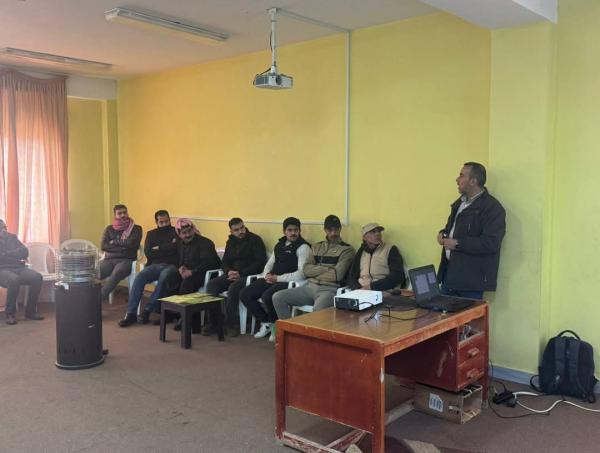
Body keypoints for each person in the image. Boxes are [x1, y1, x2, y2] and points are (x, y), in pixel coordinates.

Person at [437, 162, 506, 299]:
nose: (457, 179)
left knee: (470, 314)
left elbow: (491, 243)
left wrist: (458, 244)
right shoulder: (459, 204)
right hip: (449, 276)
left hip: (471, 283)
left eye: (462, 175)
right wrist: (443, 234)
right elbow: (451, 228)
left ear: (473, 181)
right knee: (441, 312)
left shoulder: (492, 208)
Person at [239, 217, 310, 341]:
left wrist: (278, 278)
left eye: (296, 230)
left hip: (288, 282)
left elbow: (301, 274)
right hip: (272, 278)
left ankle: (276, 325)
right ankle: (266, 322)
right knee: (245, 293)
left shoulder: (303, 247)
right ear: (284, 231)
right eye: (290, 230)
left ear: (300, 231)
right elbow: (269, 264)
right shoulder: (279, 245)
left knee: (268, 296)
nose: (293, 233)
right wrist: (267, 275)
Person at [273, 215, 354, 320]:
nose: (333, 233)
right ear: (325, 230)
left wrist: (315, 271)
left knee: (317, 311)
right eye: (330, 230)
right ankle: (290, 329)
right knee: (277, 297)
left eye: (336, 229)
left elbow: (336, 275)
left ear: (340, 229)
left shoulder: (347, 250)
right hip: (310, 287)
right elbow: (306, 270)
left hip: (329, 290)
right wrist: (326, 269)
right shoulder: (316, 246)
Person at [203, 218, 267, 337]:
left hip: (249, 275)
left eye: (242, 228)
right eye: (236, 230)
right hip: (232, 274)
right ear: (231, 232)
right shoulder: (231, 242)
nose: (240, 231)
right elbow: (224, 262)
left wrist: (240, 273)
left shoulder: (255, 240)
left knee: (233, 288)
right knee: (212, 285)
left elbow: (260, 263)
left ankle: (231, 324)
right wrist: (228, 271)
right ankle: (214, 322)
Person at [118, 210, 179, 327]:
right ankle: (131, 313)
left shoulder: (176, 232)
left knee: (164, 276)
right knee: (139, 277)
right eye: (161, 222)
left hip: (172, 265)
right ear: (156, 222)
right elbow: (149, 253)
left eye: (167, 221)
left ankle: (147, 310)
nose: (165, 224)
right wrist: (169, 246)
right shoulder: (151, 234)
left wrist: (159, 248)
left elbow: (176, 249)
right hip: (154, 265)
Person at [171, 218, 222, 331]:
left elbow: (208, 263)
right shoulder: (180, 243)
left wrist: (192, 272)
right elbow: (179, 259)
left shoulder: (205, 243)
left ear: (193, 229)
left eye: (190, 231)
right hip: (191, 271)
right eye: (184, 233)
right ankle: (176, 314)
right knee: (171, 278)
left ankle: (191, 322)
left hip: (207, 272)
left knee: (187, 283)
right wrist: (181, 267)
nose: (188, 235)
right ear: (179, 234)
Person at [0, 219, 44, 325]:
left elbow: (25, 252)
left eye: (5, 227)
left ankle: (30, 311)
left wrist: (7, 254)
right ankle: (10, 314)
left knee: (37, 277)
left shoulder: (13, 238)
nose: (4, 230)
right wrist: (14, 254)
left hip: (18, 267)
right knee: (13, 280)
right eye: (1, 228)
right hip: (2, 269)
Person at [98, 204, 143, 301]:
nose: (123, 215)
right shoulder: (109, 229)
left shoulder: (136, 229)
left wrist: (114, 242)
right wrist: (123, 247)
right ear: (115, 215)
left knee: (117, 273)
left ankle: (98, 298)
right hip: (109, 260)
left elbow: (132, 245)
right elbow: (104, 246)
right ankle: (86, 295)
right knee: (96, 272)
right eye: (119, 213)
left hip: (126, 260)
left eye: (124, 212)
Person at [347, 223, 406, 292]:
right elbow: (352, 276)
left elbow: (398, 276)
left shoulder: (390, 249)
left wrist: (371, 287)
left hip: (383, 290)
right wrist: (358, 289)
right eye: (373, 232)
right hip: (362, 290)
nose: (378, 234)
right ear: (364, 237)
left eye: (379, 231)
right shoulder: (361, 251)